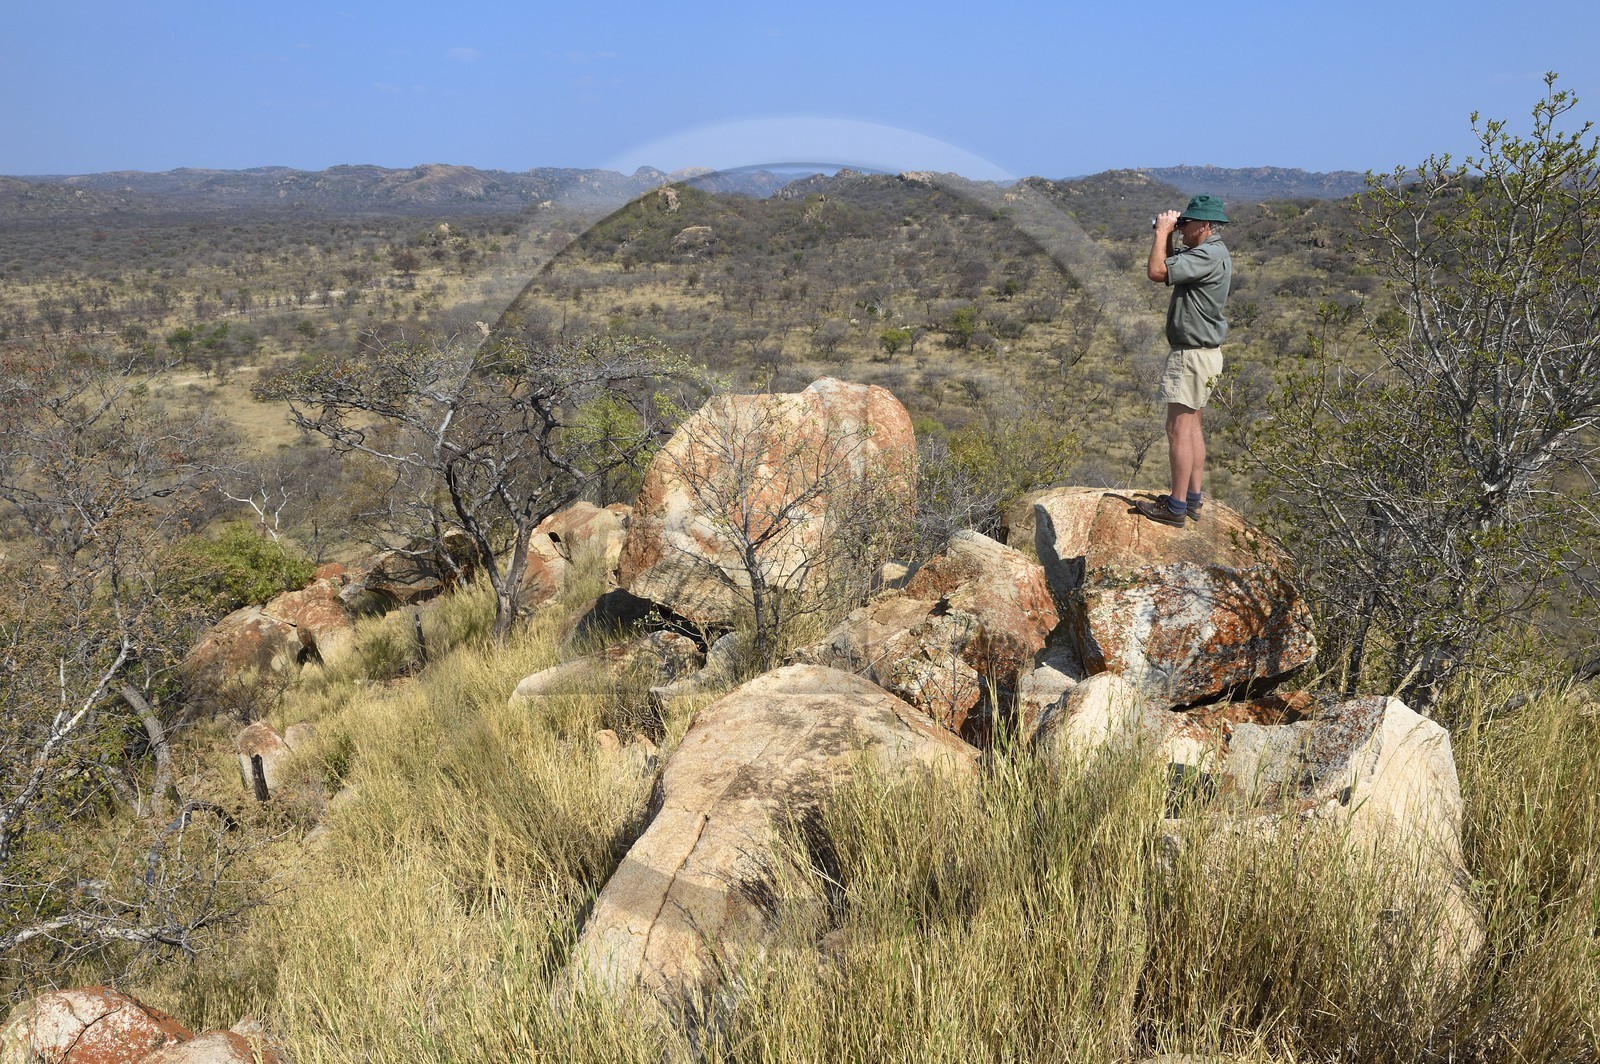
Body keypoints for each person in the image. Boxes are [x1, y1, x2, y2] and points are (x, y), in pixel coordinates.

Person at [1136, 194, 1232, 528]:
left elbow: (1157, 271)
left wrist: (1161, 233)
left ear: (1204, 225)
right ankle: (1190, 499)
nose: (1181, 229)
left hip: (1190, 355)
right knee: (1192, 428)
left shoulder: (1207, 254)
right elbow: (1175, 266)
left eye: (1186, 224)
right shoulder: (1211, 252)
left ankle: (1175, 508)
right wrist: (1172, 235)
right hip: (1205, 355)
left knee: (1178, 429)